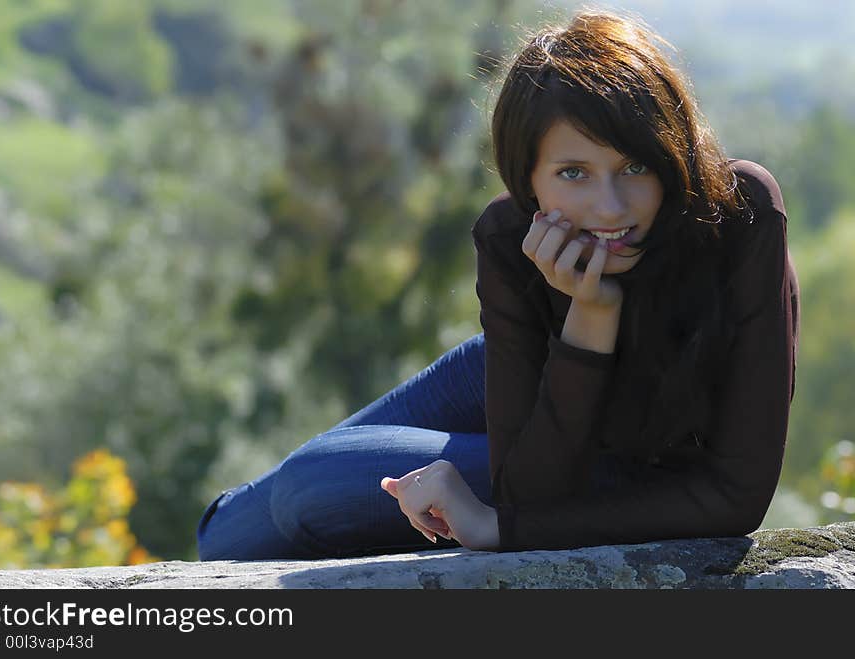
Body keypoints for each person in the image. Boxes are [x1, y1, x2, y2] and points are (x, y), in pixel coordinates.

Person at [196, 9, 799, 560]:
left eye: (635, 166)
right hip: (524, 369)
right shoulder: (509, 236)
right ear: (529, 179)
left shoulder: (740, 216)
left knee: (313, 486)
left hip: (630, 454)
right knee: (225, 537)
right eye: (573, 173)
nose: (610, 206)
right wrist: (590, 314)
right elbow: (525, 484)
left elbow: (736, 499)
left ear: (673, 155)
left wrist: (498, 527)